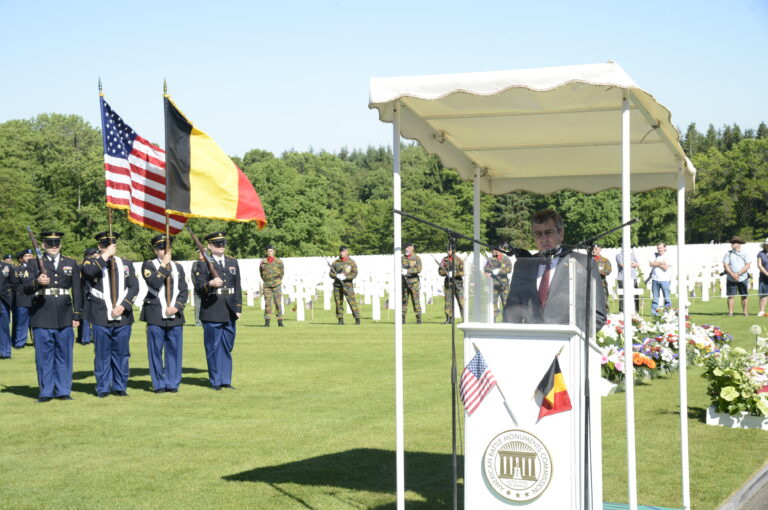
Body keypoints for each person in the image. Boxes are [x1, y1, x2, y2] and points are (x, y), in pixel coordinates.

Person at [503, 209, 606, 330]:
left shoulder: (583, 264)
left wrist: (571, 337)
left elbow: (598, 316)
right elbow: (510, 314)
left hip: (570, 343)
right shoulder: (523, 266)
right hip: (531, 343)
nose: (543, 238)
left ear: (561, 234)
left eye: (549, 232)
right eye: (538, 234)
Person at [22, 231, 82, 401]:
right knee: (44, 357)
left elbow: (77, 290)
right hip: (42, 314)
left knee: (64, 356)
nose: (53, 247)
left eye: (56, 243)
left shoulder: (70, 263)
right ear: (43, 246)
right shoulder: (33, 264)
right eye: (50, 244)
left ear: (60, 245)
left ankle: (63, 390)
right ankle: (46, 392)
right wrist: (37, 282)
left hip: (64, 315)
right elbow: (25, 288)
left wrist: (76, 314)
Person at [81, 231, 139, 397]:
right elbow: (90, 272)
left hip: (123, 316)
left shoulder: (126, 263)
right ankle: (103, 387)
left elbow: (134, 287)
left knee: (122, 354)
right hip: (100, 315)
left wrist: (123, 306)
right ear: (100, 246)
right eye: (105, 245)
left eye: (112, 244)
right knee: (102, 354)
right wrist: (105, 255)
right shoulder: (91, 262)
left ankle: (120, 386)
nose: (109, 247)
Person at [192, 232, 241, 390]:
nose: (221, 246)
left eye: (222, 243)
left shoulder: (232, 262)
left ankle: (226, 379)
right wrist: (211, 284)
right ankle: (216, 381)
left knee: (227, 347)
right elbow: (199, 288)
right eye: (217, 244)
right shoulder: (203, 263)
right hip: (212, 310)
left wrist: (238, 308)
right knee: (213, 347)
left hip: (229, 310)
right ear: (209, 246)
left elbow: (237, 287)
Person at [140, 235, 188, 393]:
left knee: (174, 350)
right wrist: (163, 265)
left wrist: (177, 307)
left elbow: (183, 290)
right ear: (155, 250)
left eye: (167, 247)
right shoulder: (148, 265)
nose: (165, 251)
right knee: (155, 350)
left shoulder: (178, 267)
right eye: (161, 248)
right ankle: (158, 384)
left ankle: (172, 383)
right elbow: (154, 282)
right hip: (155, 313)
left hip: (174, 314)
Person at [329, 245, 360, 325]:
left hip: (347, 285)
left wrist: (345, 277)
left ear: (347, 251)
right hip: (337, 285)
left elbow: (354, 273)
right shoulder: (336, 262)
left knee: (351, 301)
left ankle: (357, 318)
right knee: (338, 302)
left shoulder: (351, 262)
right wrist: (336, 276)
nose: (341, 253)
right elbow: (331, 273)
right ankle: (340, 319)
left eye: (343, 251)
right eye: (340, 251)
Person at [12, 249, 34, 349]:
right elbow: (14, 285)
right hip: (22, 298)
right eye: (26, 256)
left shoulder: (36, 269)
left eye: (30, 255)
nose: (29, 257)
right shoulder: (17, 270)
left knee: (36, 322)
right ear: (21, 259)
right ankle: (20, 342)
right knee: (21, 322)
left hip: (35, 298)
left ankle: (37, 342)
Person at [723, 236, 750, 316]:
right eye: (732, 242)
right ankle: (730, 312)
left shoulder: (745, 253)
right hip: (731, 278)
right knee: (731, 296)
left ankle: (745, 312)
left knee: (744, 296)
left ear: (739, 244)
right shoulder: (728, 253)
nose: (732, 244)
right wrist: (732, 274)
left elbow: (747, 265)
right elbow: (725, 265)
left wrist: (738, 274)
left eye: (734, 242)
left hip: (743, 277)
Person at [76, 247, 99, 345]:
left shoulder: (86, 263)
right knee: (86, 315)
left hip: (87, 292)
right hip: (87, 292)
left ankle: (85, 337)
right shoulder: (88, 262)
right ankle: (86, 338)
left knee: (87, 315)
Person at [484, 247, 512, 321]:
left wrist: (499, 271)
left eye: (497, 250)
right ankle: (493, 319)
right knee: (493, 303)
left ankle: (506, 320)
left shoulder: (505, 258)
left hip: (504, 285)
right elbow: (486, 268)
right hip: (494, 284)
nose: (495, 252)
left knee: (506, 303)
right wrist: (492, 270)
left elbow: (509, 269)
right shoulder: (490, 259)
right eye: (494, 250)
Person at [438, 247, 464, 324]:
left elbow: (463, 272)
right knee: (448, 302)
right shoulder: (444, 260)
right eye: (447, 250)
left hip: (458, 283)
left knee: (461, 302)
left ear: (454, 250)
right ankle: (449, 318)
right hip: (448, 283)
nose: (448, 251)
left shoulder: (459, 260)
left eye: (450, 250)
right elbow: (440, 271)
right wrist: (446, 273)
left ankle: (464, 318)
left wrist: (454, 274)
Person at [259, 244, 284, 327]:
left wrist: (277, 280)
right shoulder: (263, 262)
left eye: (271, 251)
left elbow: (282, 273)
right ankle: (267, 321)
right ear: (266, 252)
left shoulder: (279, 261)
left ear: (274, 252)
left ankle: (280, 321)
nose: (270, 252)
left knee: (278, 303)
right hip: (267, 286)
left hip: (276, 284)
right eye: (268, 251)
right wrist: (267, 281)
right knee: (267, 303)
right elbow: (261, 273)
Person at [649, 242, 673, 316]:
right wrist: (661, 263)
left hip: (665, 279)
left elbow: (665, 268)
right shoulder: (655, 255)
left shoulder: (668, 256)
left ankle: (668, 313)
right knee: (655, 298)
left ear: (665, 248)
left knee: (667, 298)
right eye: (658, 248)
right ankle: (654, 313)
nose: (659, 249)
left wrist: (657, 263)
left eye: (661, 247)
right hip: (655, 279)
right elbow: (650, 264)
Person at [401, 241, 422, 324]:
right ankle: (402, 318)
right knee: (403, 301)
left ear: (412, 248)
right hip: (404, 283)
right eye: (406, 247)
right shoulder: (402, 258)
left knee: (416, 301)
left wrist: (407, 271)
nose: (407, 249)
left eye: (409, 247)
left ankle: (418, 318)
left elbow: (419, 269)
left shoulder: (416, 258)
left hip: (414, 283)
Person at [0, 255, 13, 360]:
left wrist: (9, 299)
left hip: (2, 301)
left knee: (4, 328)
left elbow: (14, 284)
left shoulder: (7, 267)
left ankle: (5, 352)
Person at [758, 239, 768, 317]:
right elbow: (759, 265)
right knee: (764, 294)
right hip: (764, 277)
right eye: (766, 245)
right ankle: (761, 311)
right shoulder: (760, 254)